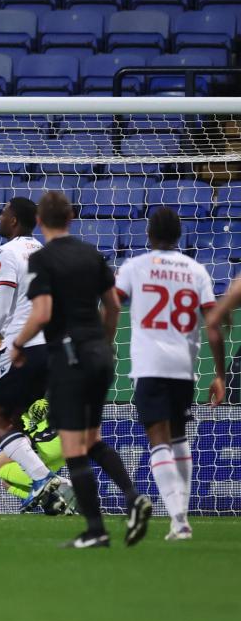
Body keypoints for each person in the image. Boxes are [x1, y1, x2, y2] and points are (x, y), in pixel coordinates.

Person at [10, 191, 151, 549]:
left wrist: (16, 344)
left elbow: (41, 313)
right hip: (100, 355)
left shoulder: (43, 260)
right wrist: (103, 340)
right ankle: (132, 496)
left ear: (40, 222)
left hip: (69, 356)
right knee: (91, 439)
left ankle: (96, 530)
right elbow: (114, 305)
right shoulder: (91, 255)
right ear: (71, 218)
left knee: (74, 446)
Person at [116, 207, 223, 541]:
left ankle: (178, 520)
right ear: (180, 236)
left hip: (150, 365)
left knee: (158, 439)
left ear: (148, 234)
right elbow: (214, 324)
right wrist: (220, 373)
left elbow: (110, 304)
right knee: (179, 438)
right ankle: (182, 517)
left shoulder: (135, 267)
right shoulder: (196, 270)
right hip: (184, 367)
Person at [0, 198, 61, 512]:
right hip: (52, 348)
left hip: (22, 346)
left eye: (3, 212)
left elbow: (1, 308)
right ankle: (55, 495)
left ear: (15, 221)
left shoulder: (7, 253)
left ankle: (42, 477)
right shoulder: (48, 253)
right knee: (14, 418)